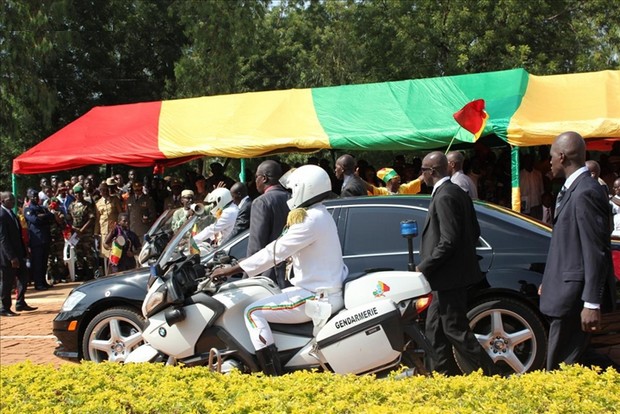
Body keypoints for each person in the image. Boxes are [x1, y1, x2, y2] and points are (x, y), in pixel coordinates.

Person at [209, 165, 348, 375]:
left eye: (292, 191)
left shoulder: (310, 220)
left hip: (316, 296)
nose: (289, 195)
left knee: (252, 312)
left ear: (305, 188)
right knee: (270, 294)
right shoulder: (318, 213)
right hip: (319, 290)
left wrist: (233, 269)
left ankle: (271, 373)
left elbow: (276, 251)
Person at [539, 131, 616, 370]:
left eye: (551, 156)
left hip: (574, 298)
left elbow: (595, 251)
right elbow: (567, 244)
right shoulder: (574, 189)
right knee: (576, 363)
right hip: (565, 292)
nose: (548, 162)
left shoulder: (586, 192)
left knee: (561, 368)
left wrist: (591, 303)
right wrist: (549, 280)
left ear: (561, 156)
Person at [416, 151, 495, 375]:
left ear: (432, 171)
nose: (420, 175)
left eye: (423, 170)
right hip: (445, 278)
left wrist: (425, 266)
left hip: (449, 277)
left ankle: (489, 373)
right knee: (434, 329)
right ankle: (442, 376)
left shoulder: (445, 196)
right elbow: (473, 232)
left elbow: (448, 240)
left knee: (454, 329)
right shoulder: (455, 192)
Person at [247, 160, 290, 288]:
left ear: (264, 178)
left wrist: (247, 275)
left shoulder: (261, 202)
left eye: (256, 177)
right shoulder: (292, 198)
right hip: (292, 272)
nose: (255, 182)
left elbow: (256, 245)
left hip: (269, 276)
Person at [1, 191, 36, 316]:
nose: (13, 201)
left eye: (13, 199)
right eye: (10, 199)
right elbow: (3, 238)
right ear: (2, 201)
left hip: (18, 253)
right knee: (7, 281)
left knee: (24, 277)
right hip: (7, 257)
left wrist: (24, 251)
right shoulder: (1, 215)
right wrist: (11, 257)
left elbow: (18, 236)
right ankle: (4, 308)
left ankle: (20, 302)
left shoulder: (12, 214)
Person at [24, 188, 55, 290]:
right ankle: (38, 283)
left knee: (44, 262)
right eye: (33, 196)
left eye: (37, 196)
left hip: (45, 238)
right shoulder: (28, 209)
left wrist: (43, 216)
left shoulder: (41, 208)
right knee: (37, 263)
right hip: (36, 239)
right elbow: (35, 220)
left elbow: (51, 217)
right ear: (29, 197)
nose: (35, 198)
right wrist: (44, 218)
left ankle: (43, 282)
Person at [68, 184, 98, 280]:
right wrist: (73, 228)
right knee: (78, 253)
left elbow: (91, 219)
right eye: (76, 193)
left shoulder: (87, 205)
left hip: (86, 233)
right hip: (75, 233)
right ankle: (80, 273)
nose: (78, 195)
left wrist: (82, 230)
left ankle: (90, 273)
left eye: (79, 193)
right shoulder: (71, 206)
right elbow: (68, 219)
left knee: (88, 252)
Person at [95, 181, 123, 274]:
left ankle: (116, 272)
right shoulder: (98, 203)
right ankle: (108, 274)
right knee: (106, 255)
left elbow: (121, 214)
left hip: (114, 231)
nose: (104, 192)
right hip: (104, 232)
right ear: (99, 191)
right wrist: (96, 232)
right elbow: (97, 219)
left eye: (105, 189)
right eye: (102, 190)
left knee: (116, 252)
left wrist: (120, 226)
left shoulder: (115, 200)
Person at [519, 154, 544, 219]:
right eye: (527, 160)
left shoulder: (538, 174)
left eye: (530, 160)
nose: (528, 162)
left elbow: (541, 191)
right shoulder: (519, 175)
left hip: (536, 204)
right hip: (524, 207)